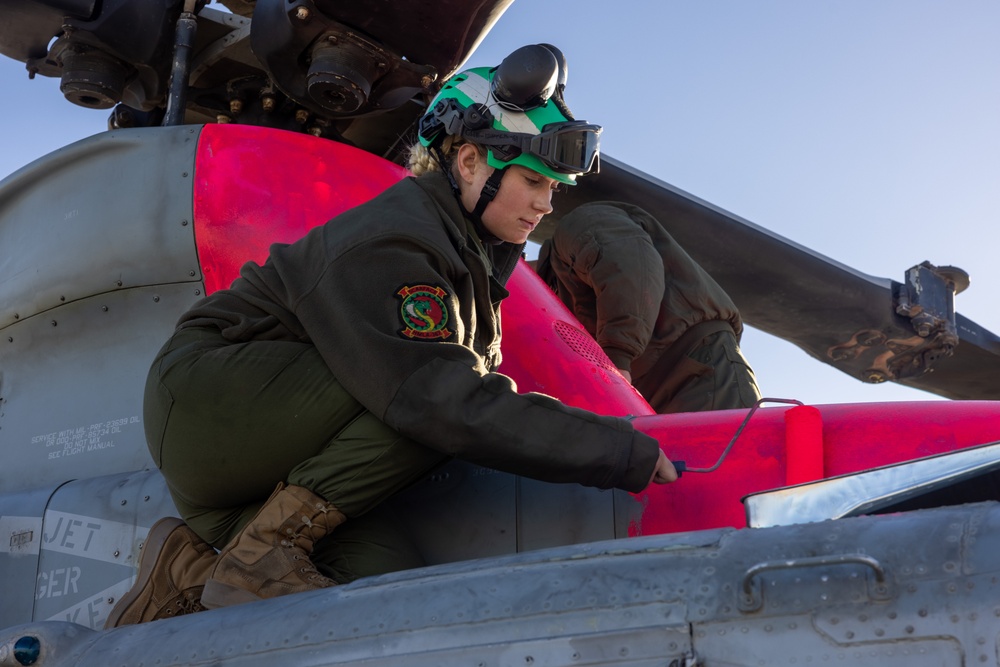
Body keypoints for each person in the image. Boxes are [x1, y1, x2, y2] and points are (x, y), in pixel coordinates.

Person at [105, 44, 678, 628]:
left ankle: (191, 571)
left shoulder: (469, 265)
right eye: (533, 180)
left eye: (554, 187)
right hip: (210, 403)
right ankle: (262, 553)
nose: (545, 202)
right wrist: (618, 450)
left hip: (255, 473)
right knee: (433, 398)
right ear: (470, 162)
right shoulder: (399, 238)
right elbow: (439, 400)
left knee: (384, 600)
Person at [535, 201, 762, 414]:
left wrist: (617, 357)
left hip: (695, 370)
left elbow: (630, 266)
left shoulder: (580, 226)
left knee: (716, 454)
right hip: (651, 392)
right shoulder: (554, 298)